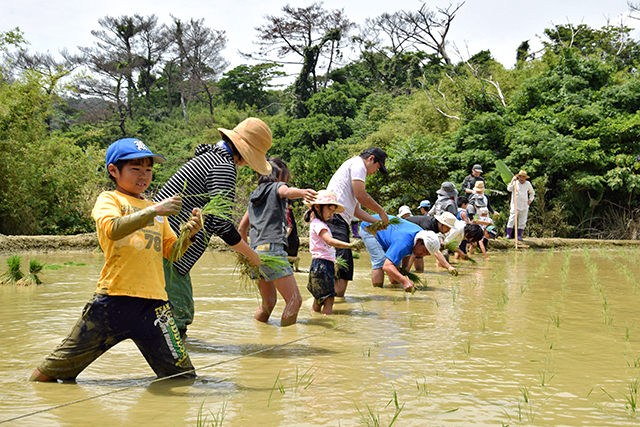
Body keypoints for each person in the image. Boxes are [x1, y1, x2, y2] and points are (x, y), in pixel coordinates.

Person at [29, 138, 203, 382]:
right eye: (136, 169)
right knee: (51, 373)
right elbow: (112, 229)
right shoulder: (110, 200)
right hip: (112, 301)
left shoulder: (156, 208)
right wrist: (154, 211)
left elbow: (172, 253)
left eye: (149, 170)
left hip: (155, 307)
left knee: (183, 377)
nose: (144, 176)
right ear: (114, 171)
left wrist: (190, 234)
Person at [154, 117, 271, 338]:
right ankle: (177, 369)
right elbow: (221, 223)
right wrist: (251, 255)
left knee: (177, 310)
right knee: (176, 317)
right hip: (169, 248)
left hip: (163, 244)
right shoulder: (223, 166)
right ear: (243, 151)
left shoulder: (209, 158)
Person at [238, 158, 317, 326]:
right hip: (273, 250)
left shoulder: (254, 197)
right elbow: (286, 192)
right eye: (285, 178)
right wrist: (303, 192)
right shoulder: (277, 187)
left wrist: (246, 255)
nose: (286, 183)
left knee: (268, 303)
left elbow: (241, 229)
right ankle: (286, 344)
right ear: (277, 176)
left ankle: (260, 336)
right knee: (294, 301)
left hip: (255, 252)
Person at [326, 147, 389, 297]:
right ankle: (333, 306)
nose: (374, 172)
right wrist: (381, 211)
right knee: (343, 266)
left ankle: (331, 303)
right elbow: (361, 195)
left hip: (337, 219)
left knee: (340, 265)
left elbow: (356, 211)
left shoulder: (354, 167)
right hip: (335, 218)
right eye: (377, 167)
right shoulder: (358, 165)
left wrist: (376, 222)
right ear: (371, 159)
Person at [304, 190, 360, 315]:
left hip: (318, 265)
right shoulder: (319, 225)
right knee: (329, 300)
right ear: (317, 207)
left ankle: (315, 321)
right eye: (329, 209)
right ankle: (329, 328)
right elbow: (330, 241)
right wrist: (349, 245)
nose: (332, 213)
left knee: (318, 299)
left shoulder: (317, 223)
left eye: (333, 211)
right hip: (323, 265)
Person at [359, 215, 441, 291]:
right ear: (419, 241)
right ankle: (378, 292)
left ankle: (394, 288)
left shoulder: (418, 238)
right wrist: (405, 281)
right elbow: (387, 266)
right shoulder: (404, 242)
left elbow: (407, 253)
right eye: (424, 251)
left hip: (391, 235)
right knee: (380, 261)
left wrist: (404, 268)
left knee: (396, 264)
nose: (423, 255)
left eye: (426, 255)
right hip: (369, 227)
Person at [506, 170, 535, 241]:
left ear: (525, 178)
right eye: (520, 177)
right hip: (515, 205)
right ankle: (508, 235)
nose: (521, 178)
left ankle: (519, 236)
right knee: (512, 220)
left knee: (522, 221)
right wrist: (512, 180)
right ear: (518, 177)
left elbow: (532, 193)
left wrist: (530, 200)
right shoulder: (515, 183)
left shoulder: (528, 184)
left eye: (523, 177)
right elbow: (509, 189)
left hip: (524, 205)